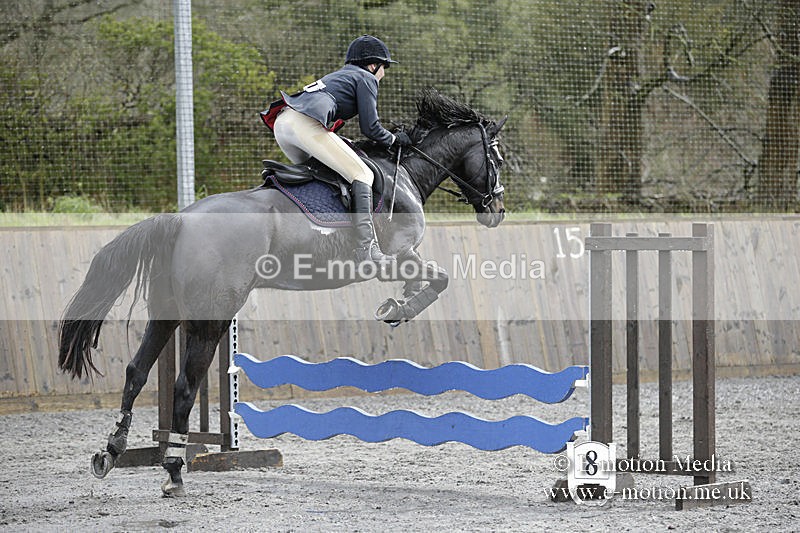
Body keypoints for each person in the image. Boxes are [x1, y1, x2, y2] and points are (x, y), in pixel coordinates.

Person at [261, 35, 412, 266]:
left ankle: (321, 228)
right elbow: (370, 128)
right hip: (303, 125)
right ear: (373, 65)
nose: (384, 74)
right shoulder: (365, 78)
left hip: (283, 124)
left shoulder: (341, 76)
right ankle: (366, 249)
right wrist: (393, 139)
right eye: (385, 67)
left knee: (323, 172)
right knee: (362, 174)